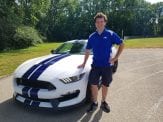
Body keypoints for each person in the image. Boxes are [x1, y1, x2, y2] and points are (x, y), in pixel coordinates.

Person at [78, 12, 124, 113]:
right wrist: (84, 63)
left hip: (107, 66)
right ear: (95, 24)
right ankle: (95, 102)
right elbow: (87, 50)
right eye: (98, 22)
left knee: (105, 84)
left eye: (101, 21)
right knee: (93, 84)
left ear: (105, 23)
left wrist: (115, 58)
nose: (99, 23)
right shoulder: (92, 36)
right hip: (95, 65)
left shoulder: (110, 34)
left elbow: (121, 44)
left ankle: (103, 102)